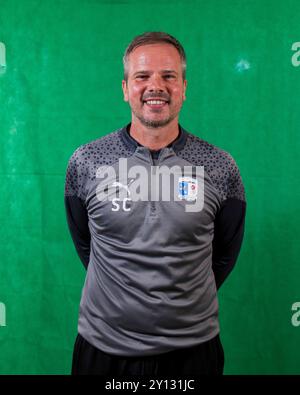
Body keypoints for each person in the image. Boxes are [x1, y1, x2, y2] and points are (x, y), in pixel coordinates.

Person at [64, 31, 246, 376]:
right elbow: (87, 244)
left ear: (184, 87)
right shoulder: (86, 161)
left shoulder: (220, 166)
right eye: (142, 76)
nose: (155, 86)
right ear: (125, 88)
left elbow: (223, 254)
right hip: (103, 349)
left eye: (168, 76)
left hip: (192, 352)